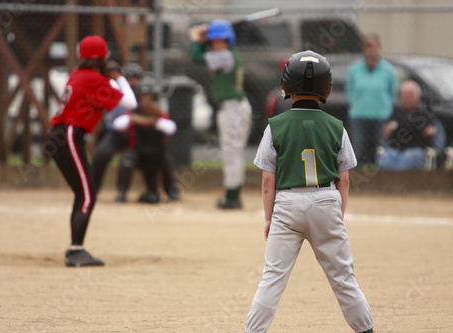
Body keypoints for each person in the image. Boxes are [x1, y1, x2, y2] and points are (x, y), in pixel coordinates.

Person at [245, 50, 374, 333]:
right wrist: (335, 214)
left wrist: (269, 218)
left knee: (272, 279)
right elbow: (345, 179)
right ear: (326, 87)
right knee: (344, 279)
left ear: (287, 86)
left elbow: (269, 181)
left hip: (287, 203)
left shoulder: (275, 127)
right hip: (327, 199)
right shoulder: (337, 127)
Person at [45, 35, 140, 267]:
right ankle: (75, 251)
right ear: (104, 58)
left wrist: (107, 76)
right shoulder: (93, 79)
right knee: (87, 195)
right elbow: (130, 103)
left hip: (62, 135)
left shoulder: (80, 74)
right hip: (68, 135)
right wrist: (118, 77)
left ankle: (76, 249)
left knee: (84, 193)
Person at [189, 19, 252, 209]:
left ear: (228, 40)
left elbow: (196, 57)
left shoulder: (225, 56)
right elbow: (202, 54)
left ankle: (232, 197)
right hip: (231, 108)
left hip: (234, 108)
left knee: (232, 153)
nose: (216, 44)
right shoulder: (224, 54)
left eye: (220, 40)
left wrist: (194, 38)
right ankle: (233, 195)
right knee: (232, 153)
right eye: (213, 41)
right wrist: (203, 37)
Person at [113, 77, 180, 204]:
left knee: (166, 161)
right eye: (143, 95)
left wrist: (153, 120)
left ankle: (172, 193)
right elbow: (118, 125)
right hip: (138, 152)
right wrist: (134, 118)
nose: (146, 98)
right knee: (127, 159)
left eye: (149, 95)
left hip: (156, 153)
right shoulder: (134, 112)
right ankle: (122, 193)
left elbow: (171, 129)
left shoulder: (158, 113)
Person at [91, 62, 143, 202]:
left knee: (127, 160)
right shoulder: (119, 92)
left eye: (136, 78)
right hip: (116, 134)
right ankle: (92, 191)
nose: (133, 82)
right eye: (130, 78)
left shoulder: (145, 94)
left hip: (136, 137)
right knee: (100, 155)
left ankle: (122, 192)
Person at [346, 33, 398, 166]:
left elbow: (392, 93)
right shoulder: (354, 69)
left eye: (375, 47)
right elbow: (350, 91)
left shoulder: (388, 70)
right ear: (364, 50)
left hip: (381, 117)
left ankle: (381, 182)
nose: (372, 51)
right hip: (359, 116)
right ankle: (356, 182)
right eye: (368, 47)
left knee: (381, 151)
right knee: (358, 150)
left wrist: (386, 109)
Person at [376, 80, 438, 170]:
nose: (407, 97)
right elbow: (386, 131)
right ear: (400, 96)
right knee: (386, 157)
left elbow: (430, 131)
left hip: (417, 150)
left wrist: (402, 126)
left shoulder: (424, 113)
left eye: (411, 94)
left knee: (408, 157)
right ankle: (386, 183)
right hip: (396, 150)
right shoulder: (395, 112)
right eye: (405, 94)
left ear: (418, 96)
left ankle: (399, 182)